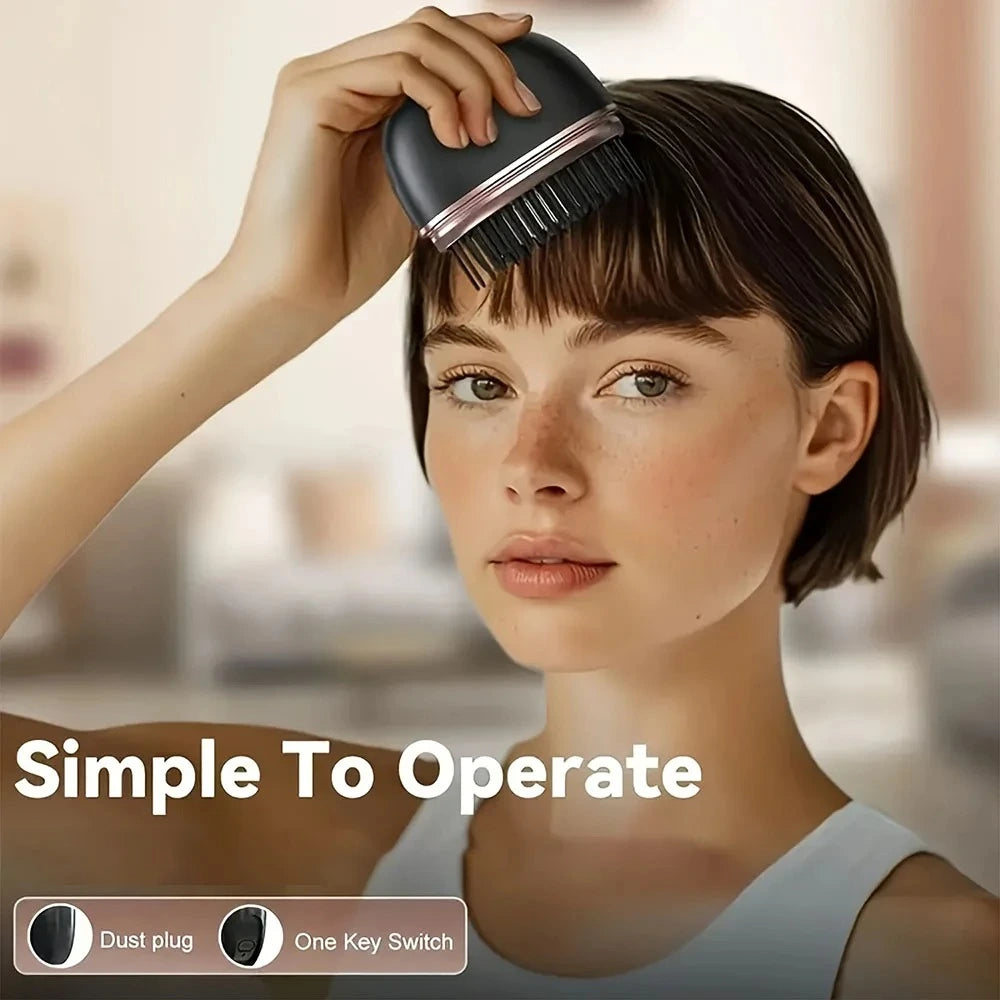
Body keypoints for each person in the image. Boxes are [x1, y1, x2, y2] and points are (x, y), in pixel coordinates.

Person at [0, 7, 996, 1000]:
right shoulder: (317, 869)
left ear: (827, 429)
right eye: (479, 384)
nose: (532, 464)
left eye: (641, 379)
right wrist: (257, 298)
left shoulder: (928, 960)